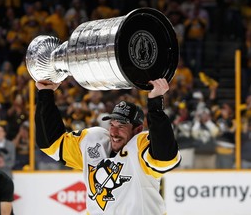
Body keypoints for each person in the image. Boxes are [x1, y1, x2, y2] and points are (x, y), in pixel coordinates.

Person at [35, 78, 181, 214]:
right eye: (112, 124)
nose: (114, 132)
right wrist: (45, 94)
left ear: (137, 129)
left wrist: (155, 104)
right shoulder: (94, 142)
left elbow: (165, 155)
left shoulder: (141, 148)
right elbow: (51, 143)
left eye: (122, 126)